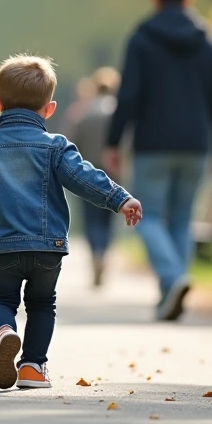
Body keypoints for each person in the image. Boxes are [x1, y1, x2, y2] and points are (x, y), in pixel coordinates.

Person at [0, 56, 141, 390]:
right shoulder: (56, 147)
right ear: (49, 109)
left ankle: (4, 332)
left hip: (2, 247)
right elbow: (84, 178)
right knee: (42, 304)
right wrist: (119, 198)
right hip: (47, 246)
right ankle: (33, 367)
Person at [103, 0, 212, 323]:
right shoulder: (207, 39)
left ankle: (173, 280)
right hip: (195, 143)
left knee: (148, 217)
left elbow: (127, 95)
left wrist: (114, 141)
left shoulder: (142, 38)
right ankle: (170, 294)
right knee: (182, 219)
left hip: (152, 143)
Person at [66, 68, 122, 288]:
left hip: (87, 172)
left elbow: (70, 143)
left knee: (91, 219)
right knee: (109, 217)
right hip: (113, 172)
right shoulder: (118, 112)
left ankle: (96, 252)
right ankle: (104, 251)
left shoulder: (83, 112)